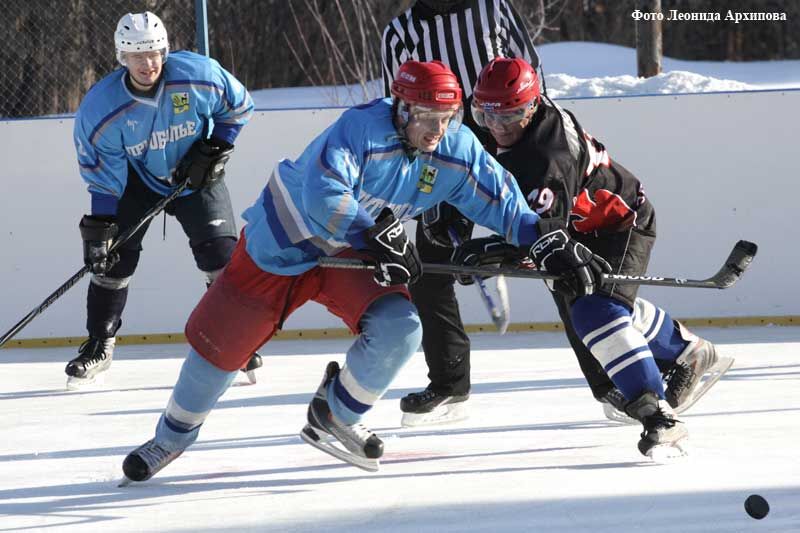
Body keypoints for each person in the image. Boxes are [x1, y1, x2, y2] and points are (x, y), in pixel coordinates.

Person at [120, 60, 608, 481]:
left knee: (401, 328)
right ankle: (171, 437)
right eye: (426, 116)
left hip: (353, 255)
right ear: (400, 107)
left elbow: (503, 203)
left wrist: (546, 241)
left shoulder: (455, 150)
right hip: (283, 243)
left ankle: (336, 413)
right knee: (218, 351)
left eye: (449, 116)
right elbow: (322, 193)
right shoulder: (360, 129)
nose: (437, 129)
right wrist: (374, 232)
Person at [454, 57, 734, 457]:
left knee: (592, 313)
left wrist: (495, 252)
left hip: (619, 225)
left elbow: (544, 236)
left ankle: (657, 413)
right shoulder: (500, 125)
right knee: (596, 306)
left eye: (512, 115)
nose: (498, 127)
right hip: (573, 226)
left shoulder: (547, 156)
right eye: (486, 115)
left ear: (534, 105)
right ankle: (686, 349)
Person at [67, 12, 262, 389]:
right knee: (114, 260)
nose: (148, 63)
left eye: (154, 52)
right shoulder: (102, 108)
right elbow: (103, 177)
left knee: (221, 256)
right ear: (122, 57)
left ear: (165, 50)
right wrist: (101, 230)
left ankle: (235, 341)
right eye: (137, 55)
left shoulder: (197, 75)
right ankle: (99, 344)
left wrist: (215, 148)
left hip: (197, 178)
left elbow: (238, 107)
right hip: (140, 182)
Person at [381, 0, 542, 426]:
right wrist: (418, 179)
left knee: (551, 251)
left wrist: (532, 149)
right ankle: (450, 385)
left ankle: (614, 378)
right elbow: (397, 109)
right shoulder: (400, 32)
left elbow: (531, 73)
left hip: (508, 142)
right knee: (428, 271)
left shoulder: (492, 7)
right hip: (445, 157)